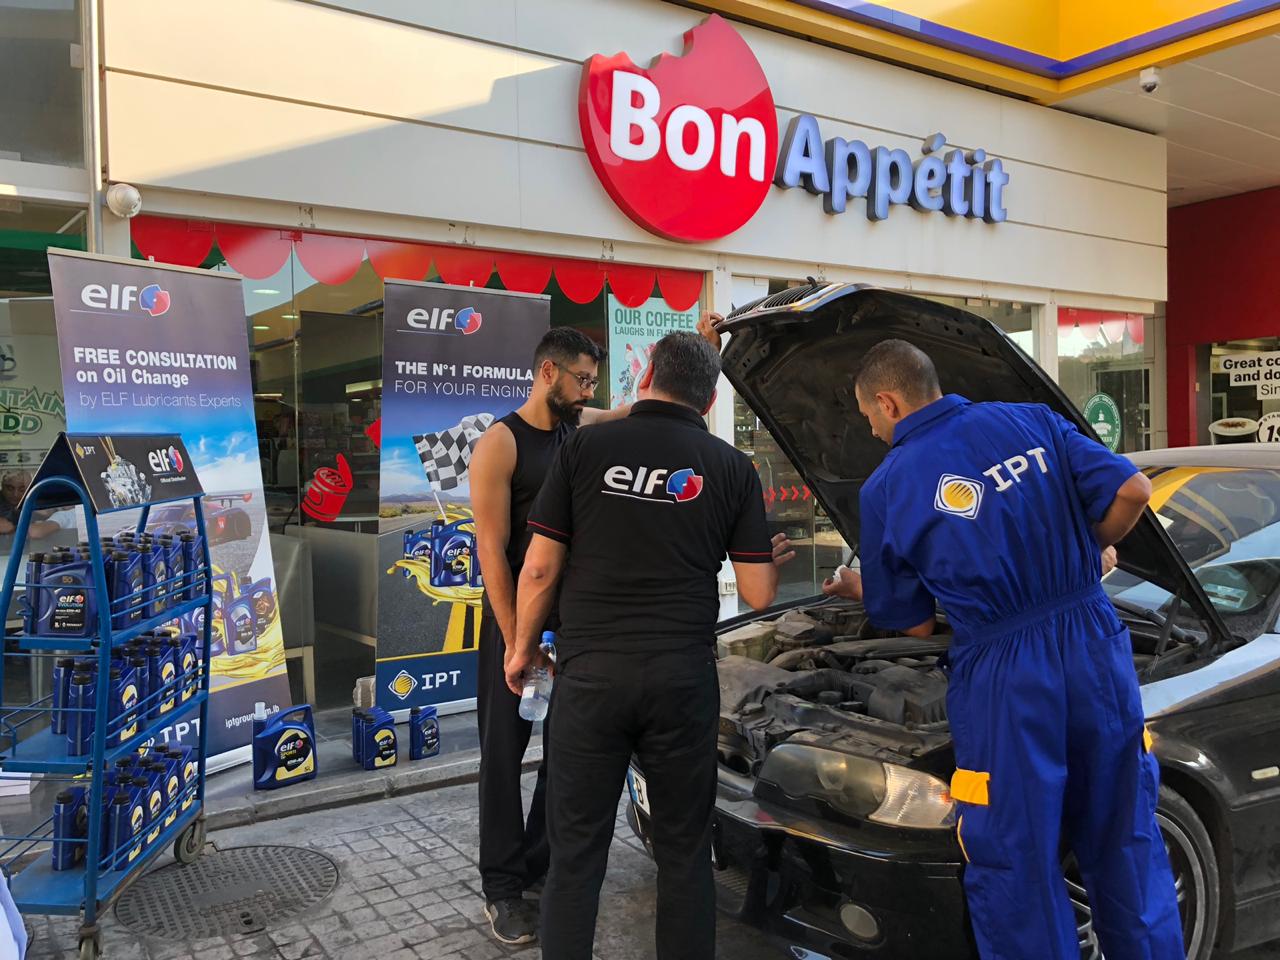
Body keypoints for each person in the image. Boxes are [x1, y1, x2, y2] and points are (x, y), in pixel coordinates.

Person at [820, 339, 1183, 960]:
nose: (872, 430)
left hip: (1006, 675)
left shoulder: (888, 486)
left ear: (889, 402)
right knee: (1124, 830)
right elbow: (1133, 490)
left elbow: (912, 625)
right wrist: (1083, 555)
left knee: (1015, 853)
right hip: (1095, 644)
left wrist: (862, 588)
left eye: (868, 416)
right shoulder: (1032, 420)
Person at [504, 331, 795, 960]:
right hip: (681, 683)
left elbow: (539, 568)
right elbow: (758, 592)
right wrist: (763, 557)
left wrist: (521, 648)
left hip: (591, 680)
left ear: (645, 377)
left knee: (576, 856)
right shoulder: (732, 467)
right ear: (710, 399)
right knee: (685, 854)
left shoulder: (585, 448)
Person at [468, 327, 627, 945]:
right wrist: (518, 642)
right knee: (502, 760)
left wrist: (702, 352)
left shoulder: (576, 428)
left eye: (593, 381)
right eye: (582, 379)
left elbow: (636, 409)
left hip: (572, 630)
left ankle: (536, 867)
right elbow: (491, 552)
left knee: (565, 757)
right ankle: (503, 889)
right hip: (513, 623)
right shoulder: (500, 443)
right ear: (548, 372)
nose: (588, 390)